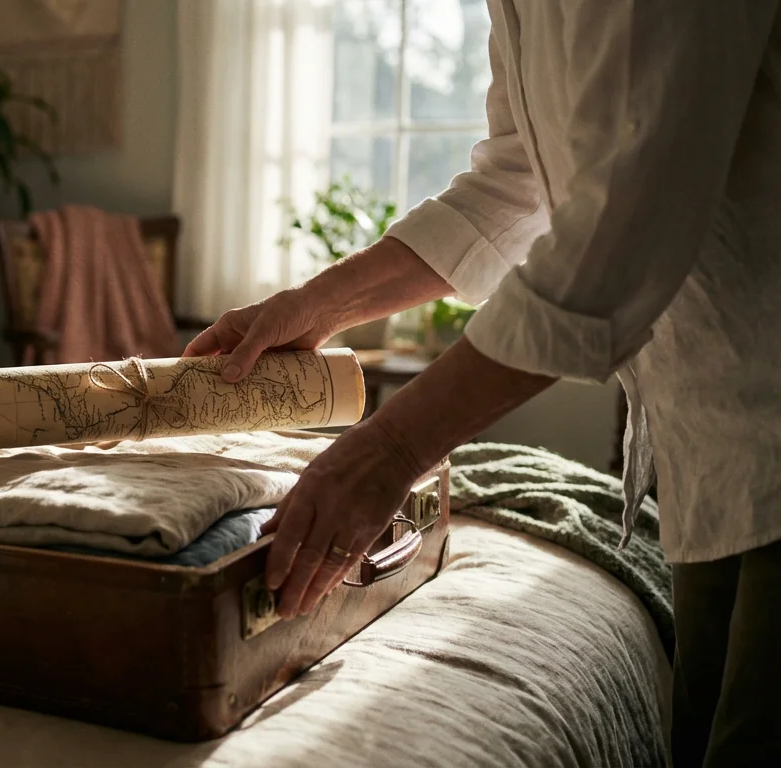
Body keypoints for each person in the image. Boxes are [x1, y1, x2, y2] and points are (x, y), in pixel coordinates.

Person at [184, 3, 781, 766]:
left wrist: (393, 447)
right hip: (710, 452)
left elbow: (620, 228)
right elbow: (516, 184)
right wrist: (316, 306)